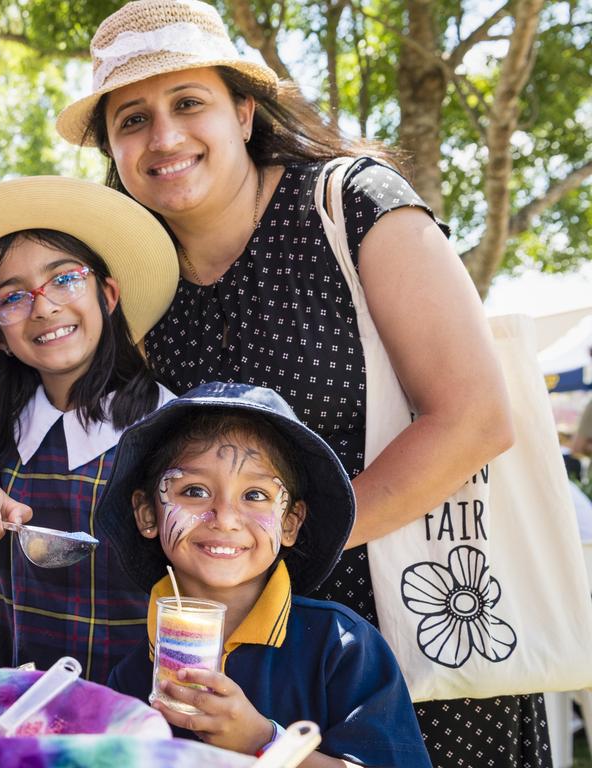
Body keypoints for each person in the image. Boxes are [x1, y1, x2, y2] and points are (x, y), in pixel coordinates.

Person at [57, 1, 527, 763]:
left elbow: (474, 419)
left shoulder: (351, 204)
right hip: (247, 647)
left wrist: (288, 539)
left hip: (419, 617)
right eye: (132, 119)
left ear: (244, 111)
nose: (164, 136)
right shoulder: (142, 285)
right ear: (112, 147)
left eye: (188, 103)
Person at [0, 176, 178, 683]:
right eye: (13, 297)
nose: (44, 306)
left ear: (108, 295)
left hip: (148, 721)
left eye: (65, 278)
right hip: (23, 710)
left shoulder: (174, 426)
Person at [99, 382, 429, 765]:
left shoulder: (342, 648)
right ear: (147, 514)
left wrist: (261, 739)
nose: (224, 517)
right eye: (193, 491)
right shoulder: (135, 672)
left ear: (290, 523)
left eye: (255, 495)